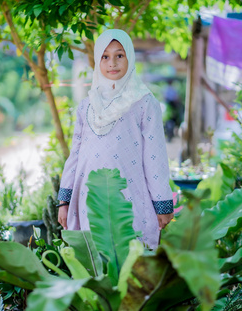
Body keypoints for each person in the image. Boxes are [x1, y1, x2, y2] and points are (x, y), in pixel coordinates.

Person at [57, 29, 174, 249]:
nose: (113, 63)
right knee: (95, 259)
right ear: (98, 61)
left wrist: (162, 204)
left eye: (120, 55)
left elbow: (154, 157)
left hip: (129, 197)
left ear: (130, 57)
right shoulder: (87, 105)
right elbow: (76, 155)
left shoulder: (144, 103)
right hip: (89, 197)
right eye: (105, 56)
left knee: (130, 259)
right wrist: (64, 201)